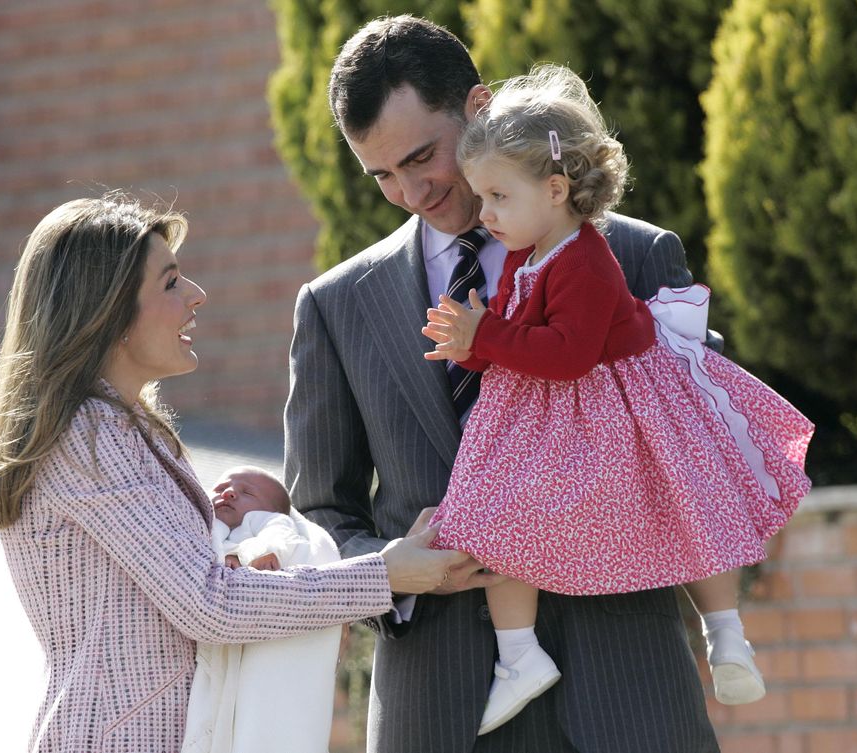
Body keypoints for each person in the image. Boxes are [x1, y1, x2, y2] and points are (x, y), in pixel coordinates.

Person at [285, 14, 723, 753]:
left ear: (479, 107)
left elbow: (703, 446)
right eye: (383, 174)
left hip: (631, 695)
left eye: (423, 156)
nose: (411, 191)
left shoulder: (636, 255)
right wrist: (393, 574)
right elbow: (320, 516)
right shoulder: (334, 306)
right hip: (442, 710)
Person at [0, 193, 468, 753]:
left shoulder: (122, 427)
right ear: (107, 311)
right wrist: (385, 576)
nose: (196, 296)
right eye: (170, 283)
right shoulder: (93, 436)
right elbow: (208, 604)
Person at [421, 64, 813, 735]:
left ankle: (726, 632)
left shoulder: (585, 259)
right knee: (496, 519)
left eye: (497, 196)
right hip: (549, 411)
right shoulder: (527, 250)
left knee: (696, 498)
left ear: (555, 187)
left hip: (615, 406)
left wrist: (488, 332)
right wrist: (474, 346)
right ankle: (520, 654)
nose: (483, 214)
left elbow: (568, 354)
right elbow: (523, 336)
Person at [182, 464, 346, 753]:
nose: (229, 493)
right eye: (220, 488)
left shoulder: (265, 522)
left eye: (247, 492)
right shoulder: (205, 522)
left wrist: (251, 555)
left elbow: (280, 536)